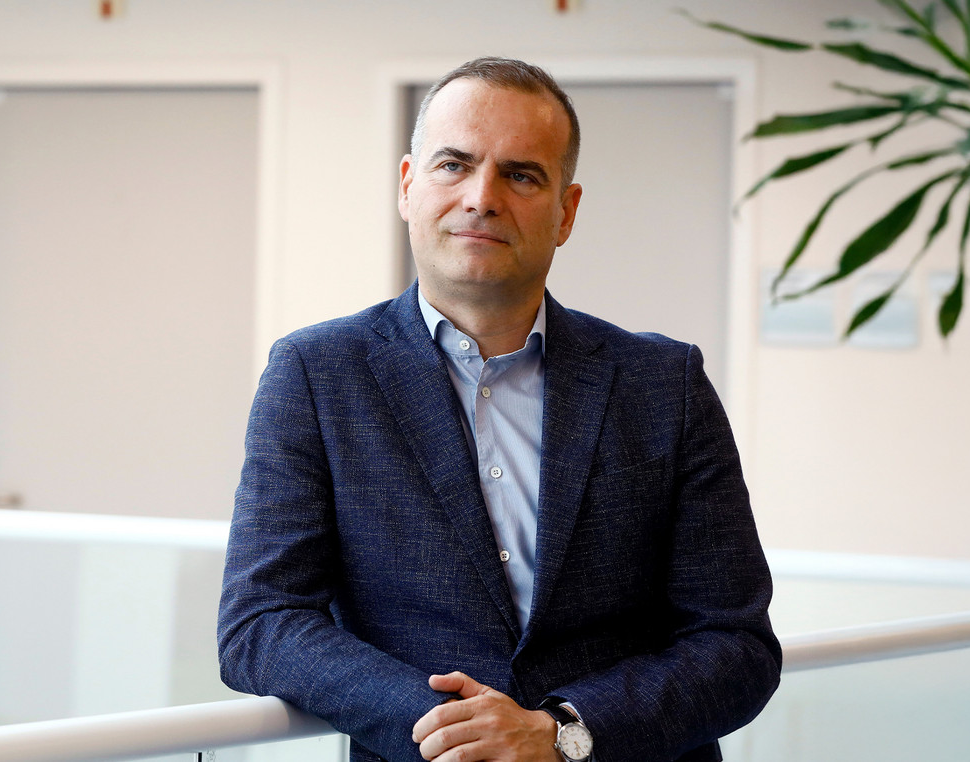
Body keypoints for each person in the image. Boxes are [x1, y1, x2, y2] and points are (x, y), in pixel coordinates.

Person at [218, 57, 780, 762]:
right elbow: (261, 622)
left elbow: (736, 644)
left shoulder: (665, 384)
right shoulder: (316, 375)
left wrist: (561, 733)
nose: (481, 198)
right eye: (453, 164)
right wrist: (454, 732)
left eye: (520, 175)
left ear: (566, 212)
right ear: (408, 185)